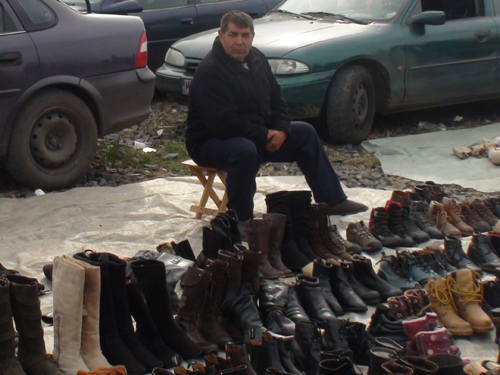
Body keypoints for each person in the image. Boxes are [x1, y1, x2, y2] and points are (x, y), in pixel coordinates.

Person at [186, 10, 368, 224]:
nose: (239, 42)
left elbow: (276, 99)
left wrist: (282, 130)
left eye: (245, 35)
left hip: (255, 135)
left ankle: (333, 201)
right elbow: (223, 124)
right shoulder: (210, 71)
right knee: (244, 150)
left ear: (252, 36)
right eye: (233, 35)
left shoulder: (257, 58)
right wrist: (265, 136)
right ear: (221, 35)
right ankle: (241, 221)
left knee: (305, 133)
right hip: (210, 143)